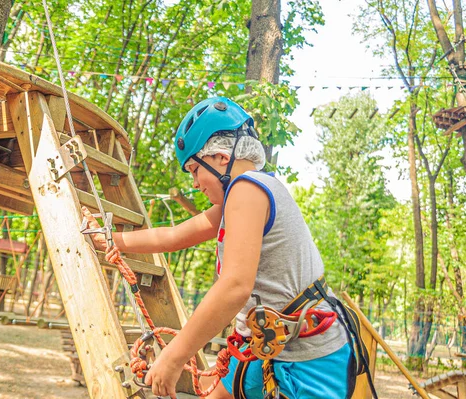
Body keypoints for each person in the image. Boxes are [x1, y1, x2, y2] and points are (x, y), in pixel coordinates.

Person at [82, 97, 353, 399]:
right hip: (264, 347)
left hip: (307, 362)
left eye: (194, 170)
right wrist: (111, 239)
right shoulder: (245, 194)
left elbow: (235, 286)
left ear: (221, 158)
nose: (195, 183)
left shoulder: (246, 189)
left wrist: (174, 357)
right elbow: (173, 236)